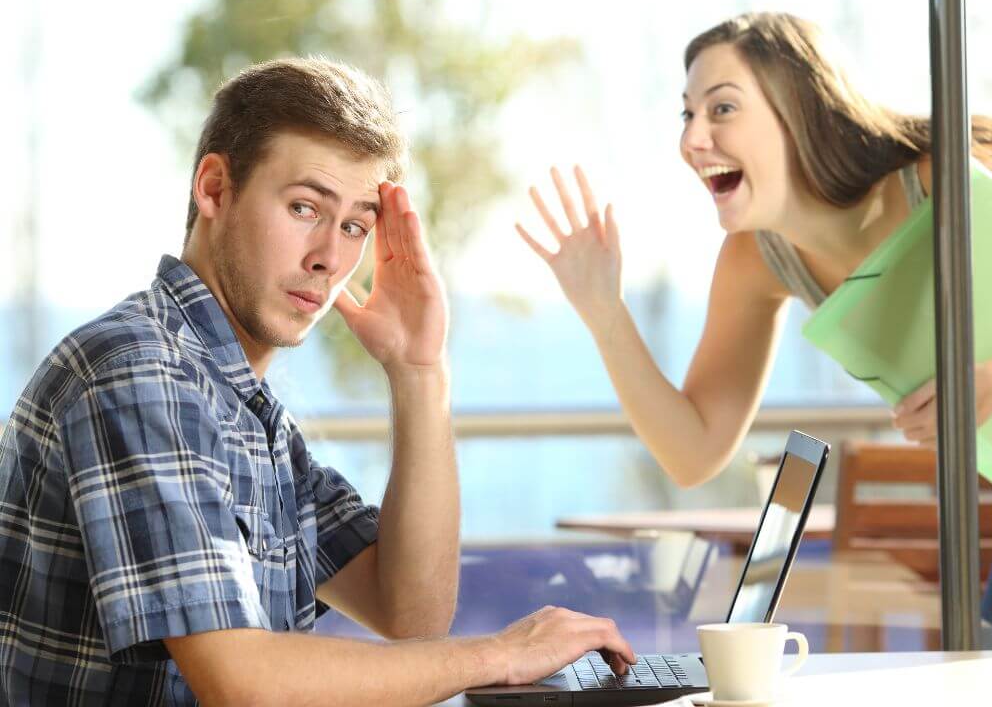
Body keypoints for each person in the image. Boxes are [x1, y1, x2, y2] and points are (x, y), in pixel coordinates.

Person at [0, 58, 635, 706]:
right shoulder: (139, 371)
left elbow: (411, 613)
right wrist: (500, 654)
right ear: (215, 189)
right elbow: (242, 683)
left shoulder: (246, 411)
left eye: (355, 225)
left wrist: (419, 372)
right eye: (305, 207)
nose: (329, 257)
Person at [518, 11, 992, 634]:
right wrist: (604, 312)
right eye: (687, 114)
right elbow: (694, 452)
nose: (693, 139)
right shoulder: (756, 260)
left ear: (799, 107)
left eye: (722, 109)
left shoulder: (945, 178)